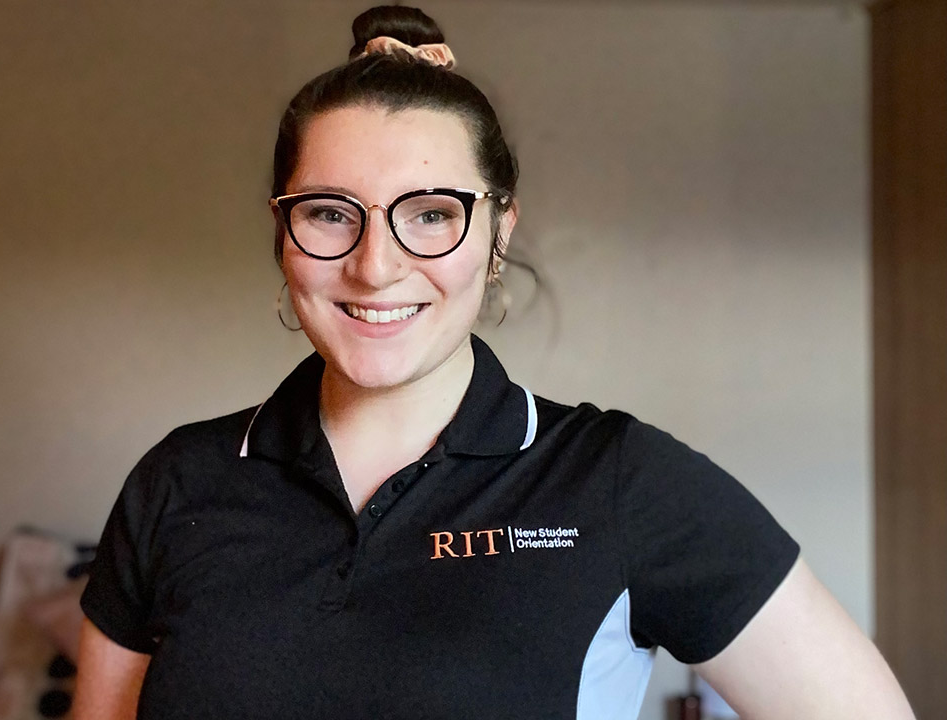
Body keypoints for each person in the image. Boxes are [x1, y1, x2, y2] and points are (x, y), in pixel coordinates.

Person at [73, 6, 915, 719]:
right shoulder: (178, 482)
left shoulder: (620, 484)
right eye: (332, 213)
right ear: (283, 228)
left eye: (431, 214)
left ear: (499, 229)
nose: (376, 265)